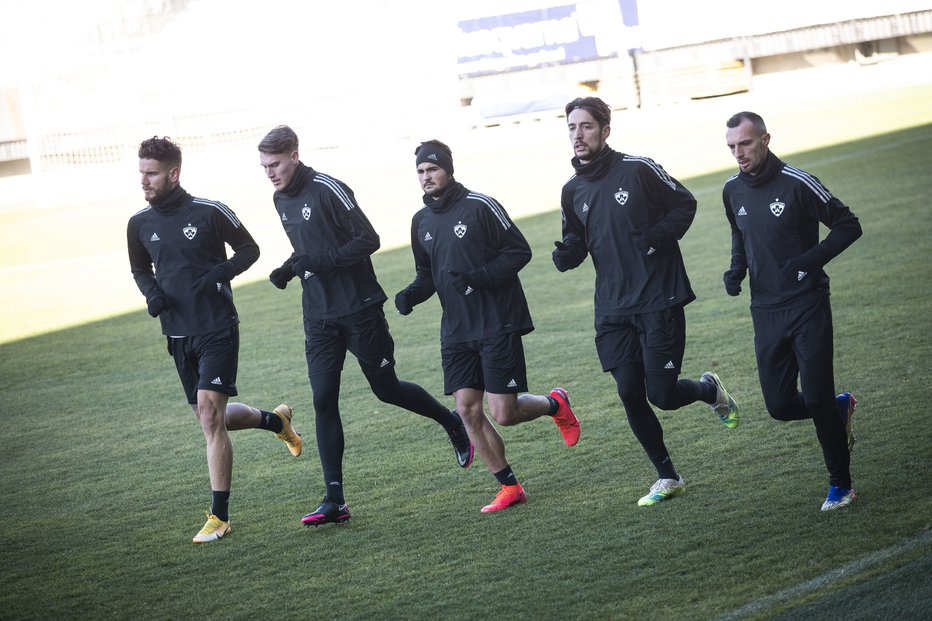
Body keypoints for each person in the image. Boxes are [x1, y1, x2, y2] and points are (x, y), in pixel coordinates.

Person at [257, 125, 473, 527]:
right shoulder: (279, 198)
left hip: (359, 309)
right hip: (318, 316)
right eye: (264, 166)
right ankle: (334, 499)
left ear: (294, 155)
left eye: (275, 164)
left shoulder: (327, 188)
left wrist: (315, 263)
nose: (270, 172)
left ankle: (452, 421)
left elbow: (367, 240)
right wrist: (289, 268)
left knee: (386, 390)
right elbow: (309, 246)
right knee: (323, 399)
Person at [552, 97, 739, 507]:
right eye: (571, 127)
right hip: (613, 307)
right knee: (629, 392)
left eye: (585, 126)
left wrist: (656, 236)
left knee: (663, 394)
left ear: (605, 130)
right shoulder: (572, 190)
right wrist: (568, 254)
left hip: (658, 297)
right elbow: (578, 239)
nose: (577, 135)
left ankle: (709, 390)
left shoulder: (638, 169)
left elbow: (684, 204)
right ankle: (667, 476)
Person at [127, 136, 303, 544]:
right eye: (141, 173)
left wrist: (216, 275)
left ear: (173, 173)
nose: (144, 181)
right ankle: (277, 421)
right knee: (214, 420)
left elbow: (249, 249)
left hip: (216, 326)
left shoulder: (209, 211)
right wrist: (152, 293)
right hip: (176, 333)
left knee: (210, 417)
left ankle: (219, 517)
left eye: (151, 174)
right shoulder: (139, 223)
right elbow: (140, 270)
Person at [395, 139, 581, 514]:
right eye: (420, 171)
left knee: (504, 413)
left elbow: (519, 251)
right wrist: (411, 295)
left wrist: (477, 278)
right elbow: (428, 274)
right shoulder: (421, 221)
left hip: (497, 321)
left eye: (432, 169)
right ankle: (509, 487)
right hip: (457, 330)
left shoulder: (480, 206)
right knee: (466, 409)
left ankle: (554, 403)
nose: (426, 177)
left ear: (448, 168)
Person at [722, 111, 861, 511]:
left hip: (807, 305)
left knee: (814, 395)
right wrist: (737, 269)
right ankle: (837, 408)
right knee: (780, 406)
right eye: (731, 146)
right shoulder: (732, 190)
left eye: (745, 144)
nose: (738, 153)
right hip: (764, 311)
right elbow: (740, 233)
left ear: (765, 139)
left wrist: (808, 261)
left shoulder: (798, 183)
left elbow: (848, 225)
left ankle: (841, 484)